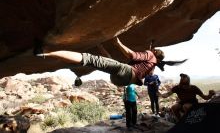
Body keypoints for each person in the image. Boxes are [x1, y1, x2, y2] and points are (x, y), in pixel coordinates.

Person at [36, 37, 165, 86]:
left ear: (155, 52)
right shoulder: (152, 66)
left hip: (127, 73)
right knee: (110, 64)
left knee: (90, 59)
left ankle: (45, 52)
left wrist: (118, 43)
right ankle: (101, 48)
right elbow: (144, 78)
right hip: (122, 81)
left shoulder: (150, 55)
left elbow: (132, 55)